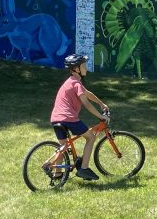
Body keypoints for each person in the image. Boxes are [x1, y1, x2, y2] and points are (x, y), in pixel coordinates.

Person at [46, 53, 109, 181]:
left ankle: (57, 173)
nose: (86, 68)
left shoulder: (71, 82)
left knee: (63, 147)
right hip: (68, 118)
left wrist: (101, 104)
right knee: (91, 138)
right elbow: (86, 103)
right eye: (84, 66)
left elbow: (88, 94)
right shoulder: (76, 84)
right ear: (76, 69)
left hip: (56, 118)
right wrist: (100, 116)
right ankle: (84, 169)